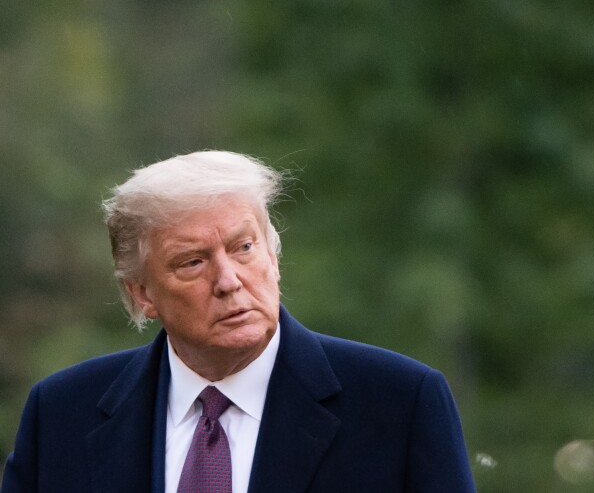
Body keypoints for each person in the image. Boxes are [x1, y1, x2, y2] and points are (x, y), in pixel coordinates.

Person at [1, 150, 476, 493]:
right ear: (142, 293)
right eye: (192, 262)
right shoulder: (62, 414)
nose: (228, 281)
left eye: (243, 248)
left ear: (273, 253)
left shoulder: (399, 403)